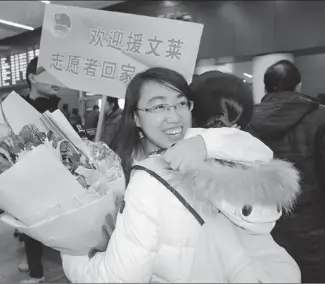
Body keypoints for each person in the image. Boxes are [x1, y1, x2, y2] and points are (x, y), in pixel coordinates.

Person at [61, 68, 300, 282]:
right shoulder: (124, 167)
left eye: (181, 103)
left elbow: (118, 277)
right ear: (135, 116)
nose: (174, 115)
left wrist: (72, 248)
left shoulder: (194, 168)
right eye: (158, 106)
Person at [248, 60, 325, 283]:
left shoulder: (248, 119)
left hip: (262, 223)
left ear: (265, 88)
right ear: (299, 86)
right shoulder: (323, 117)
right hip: (311, 224)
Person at [19, 56, 61, 284]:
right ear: (33, 77)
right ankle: (36, 272)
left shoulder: (55, 109)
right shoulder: (17, 107)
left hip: (55, 177)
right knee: (29, 224)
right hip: (27, 177)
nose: (56, 80)